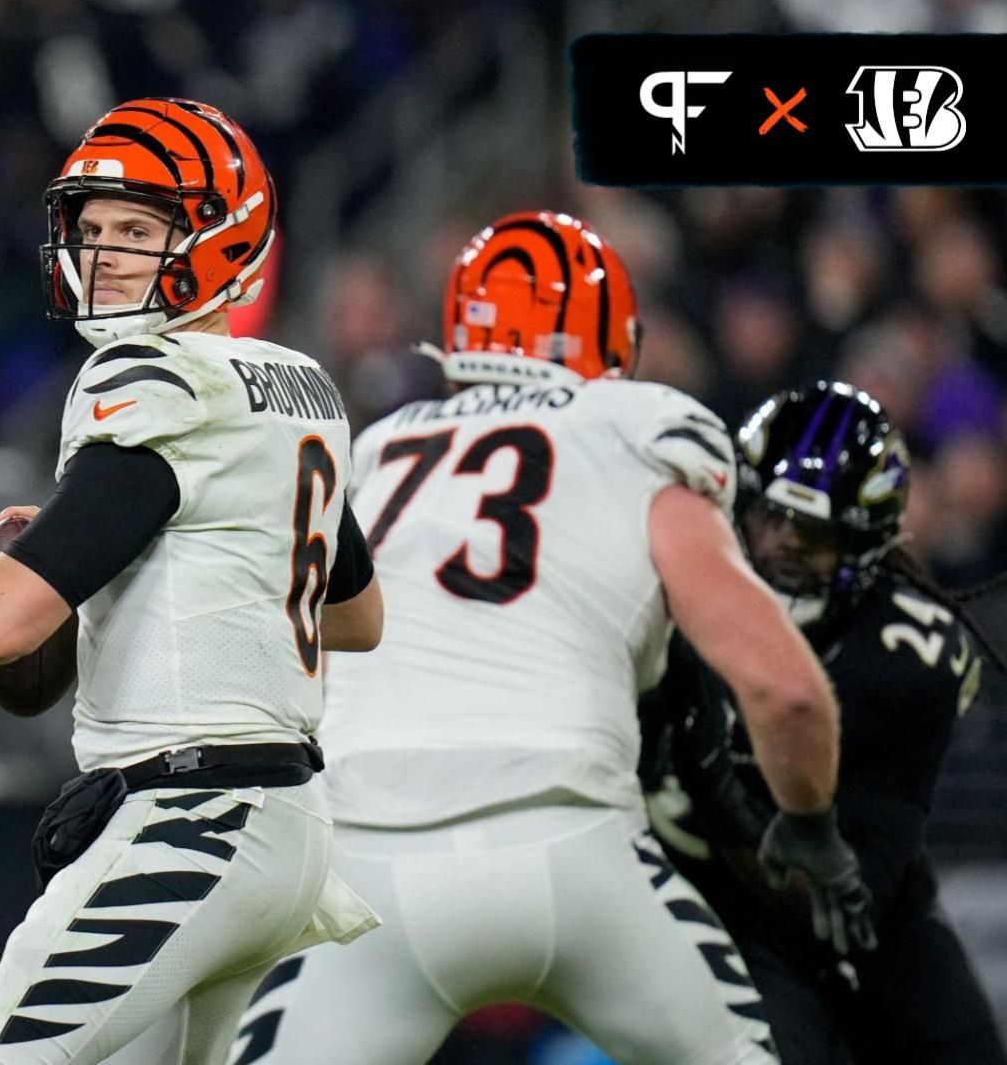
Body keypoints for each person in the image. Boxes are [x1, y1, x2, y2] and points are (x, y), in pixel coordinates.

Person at [231, 211, 869, 1065]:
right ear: (615, 340)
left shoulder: (373, 453)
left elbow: (268, 665)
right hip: (571, 847)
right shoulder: (634, 425)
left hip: (365, 869)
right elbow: (781, 687)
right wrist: (812, 826)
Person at [0, 97, 385, 1065]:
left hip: (192, 822)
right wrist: (147, 555)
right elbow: (353, 617)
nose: (104, 255)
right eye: (93, 230)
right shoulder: (297, 384)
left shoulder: (153, 380)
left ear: (225, 237)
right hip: (286, 827)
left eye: (139, 231)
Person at [642, 381, 1007, 1064]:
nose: (779, 544)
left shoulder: (909, 655)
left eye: (808, 534)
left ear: (862, 547)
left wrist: (722, 792)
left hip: (868, 919)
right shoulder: (668, 613)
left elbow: (856, 884)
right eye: (768, 520)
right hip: (724, 918)